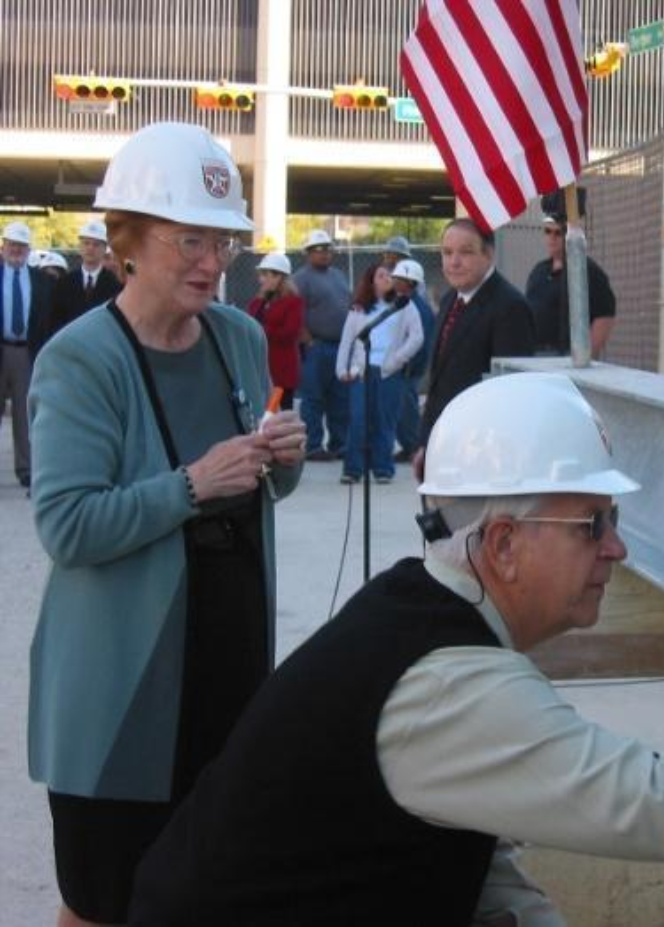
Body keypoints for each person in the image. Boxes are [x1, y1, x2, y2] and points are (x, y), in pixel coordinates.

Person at [128, 371, 664, 926]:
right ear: (504, 541)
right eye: (594, 524)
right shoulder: (448, 684)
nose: (616, 551)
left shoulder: (412, 612)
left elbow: (463, 855)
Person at [27, 121, 307, 927]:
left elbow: (262, 487)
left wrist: (280, 456)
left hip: (228, 673)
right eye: (190, 239)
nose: (213, 262)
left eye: (221, 240)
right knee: (103, 900)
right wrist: (190, 484)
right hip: (122, 694)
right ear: (129, 241)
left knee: (208, 891)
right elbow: (68, 525)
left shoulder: (239, 337)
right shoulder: (82, 359)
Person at [414, 217, 535, 479]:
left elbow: (512, 392)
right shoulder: (449, 300)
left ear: (489, 254)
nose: (453, 262)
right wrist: (426, 443)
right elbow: (439, 382)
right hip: (441, 446)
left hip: (481, 456)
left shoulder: (509, 307)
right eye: (447, 253)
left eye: (465, 252)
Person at [335, 262, 423, 484]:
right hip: (361, 371)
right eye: (381, 275)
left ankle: (383, 469)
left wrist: (397, 359)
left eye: (389, 275)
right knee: (358, 420)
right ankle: (353, 469)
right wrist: (341, 369)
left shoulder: (404, 305)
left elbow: (417, 337)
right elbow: (347, 339)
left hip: (388, 372)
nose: (387, 279)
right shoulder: (359, 308)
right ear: (371, 280)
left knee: (385, 421)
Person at [1, 220, 52, 489]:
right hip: (2, 345)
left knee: (24, 414)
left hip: (25, 353)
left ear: (29, 248)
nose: (16, 250)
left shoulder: (42, 281)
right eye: (12, 245)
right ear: (3, 246)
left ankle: (26, 468)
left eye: (21, 245)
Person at [292, 228, 351, 461]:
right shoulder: (300, 278)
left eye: (328, 249)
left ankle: (340, 444)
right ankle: (314, 446)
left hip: (340, 347)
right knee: (313, 399)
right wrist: (308, 339)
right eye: (319, 250)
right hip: (317, 348)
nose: (325, 253)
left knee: (340, 399)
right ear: (308, 253)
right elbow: (296, 313)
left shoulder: (338, 275)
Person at [525, 213, 616, 357]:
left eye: (558, 233)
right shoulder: (539, 270)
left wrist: (587, 356)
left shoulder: (587, 271)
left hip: (567, 356)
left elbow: (605, 316)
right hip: (535, 354)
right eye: (548, 231)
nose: (552, 238)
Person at [246, 252, 304, 410]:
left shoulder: (292, 302)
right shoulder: (258, 301)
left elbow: (289, 333)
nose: (261, 279)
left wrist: (262, 329)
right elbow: (249, 323)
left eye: (265, 275)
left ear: (278, 277)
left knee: (277, 416)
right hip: (261, 370)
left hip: (280, 374)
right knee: (262, 416)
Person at [391, 257, 435, 463]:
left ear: (410, 282)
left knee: (406, 410)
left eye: (399, 277)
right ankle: (409, 445)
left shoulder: (417, 308)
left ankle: (414, 447)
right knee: (401, 409)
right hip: (402, 366)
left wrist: (407, 364)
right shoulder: (404, 304)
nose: (394, 280)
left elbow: (419, 342)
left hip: (408, 368)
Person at [49, 218, 123, 338]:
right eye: (86, 243)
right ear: (80, 246)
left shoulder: (115, 284)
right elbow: (55, 320)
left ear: (104, 249)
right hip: (70, 344)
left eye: (96, 244)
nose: (90, 248)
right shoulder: (64, 283)